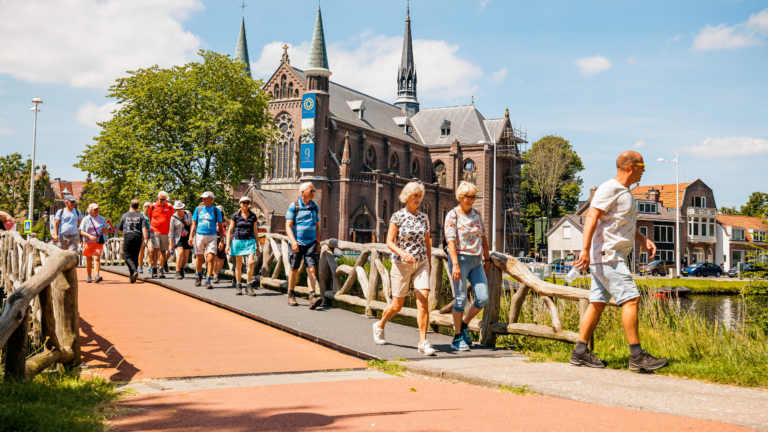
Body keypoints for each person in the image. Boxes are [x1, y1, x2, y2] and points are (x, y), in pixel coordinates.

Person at [572, 151, 668, 371]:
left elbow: (621, 224)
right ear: (632, 166)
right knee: (631, 300)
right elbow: (591, 216)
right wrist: (585, 250)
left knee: (597, 304)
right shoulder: (610, 188)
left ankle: (579, 352)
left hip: (609, 256)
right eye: (643, 165)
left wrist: (643, 239)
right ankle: (636, 356)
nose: (645, 170)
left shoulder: (626, 193)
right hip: (609, 256)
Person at [373, 181, 436, 356]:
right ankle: (379, 325)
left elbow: (427, 243)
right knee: (397, 306)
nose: (418, 199)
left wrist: (428, 264)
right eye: (415, 195)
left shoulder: (424, 218)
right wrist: (403, 254)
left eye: (420, 196)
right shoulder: (397, 216)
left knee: (423, 301)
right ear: (407, 196)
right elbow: (389, 242)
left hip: (421, 263)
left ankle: (423, 342)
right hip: (401, 265)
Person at [444, 181, 490, 351]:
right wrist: (455, 264)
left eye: (474, 196)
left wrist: (488, 259)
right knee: (461, 299)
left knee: (483, 297)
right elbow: (450, 240)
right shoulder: (452, 215)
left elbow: (483, 237)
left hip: (476, 261)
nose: (472, 200)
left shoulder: (477, 214)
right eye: (468, 197)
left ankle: (464, 325)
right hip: (460, 260)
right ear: (460, 197)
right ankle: (456, 338)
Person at [285, 182, 322, 309]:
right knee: (294, 269)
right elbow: (288, 227)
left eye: (314, 191)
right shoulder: (294, 206)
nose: (314, 193)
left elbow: (317, 226)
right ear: (303, 192)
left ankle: (312, 296)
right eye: (311, 191)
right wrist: (293, 241)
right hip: (297, 243)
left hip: (311, 242)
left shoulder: (315, 207)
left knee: (311, 268)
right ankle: (291, 293)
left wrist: (317, 241)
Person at [226, 196, 260, 296]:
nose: (245, 204)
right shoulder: (235, 216)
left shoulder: (253, 216)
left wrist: (257, 245)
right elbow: (230, 230)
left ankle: (249, 285)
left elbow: (255, 231)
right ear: (240, 204)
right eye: (243, 202)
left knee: (250, 263)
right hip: (238, 240)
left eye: (247, 202)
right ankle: (238, 285)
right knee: (239, 264)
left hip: (250, 241)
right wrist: (227, 244)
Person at [190, 191, 224, 288]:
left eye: (205, 198)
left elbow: (220, 226)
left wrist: (221, 240)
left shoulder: (216, 210)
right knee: (199, 259)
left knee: (210, 258)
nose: (203, 200)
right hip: (199, 235)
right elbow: (193, 224)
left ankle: (208, 279)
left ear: (212, 199)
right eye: (203, 198)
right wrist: (191, 236)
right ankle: (199, 275)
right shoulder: (198, 209)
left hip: (212, 236)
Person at [116, 199, 149, 283]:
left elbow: (119, 228)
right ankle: (132, 276)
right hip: (138, 236)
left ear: (130, 206)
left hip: (128, 235)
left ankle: (134, 271)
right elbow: (144, 229)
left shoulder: (125, 216)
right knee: (135, 256)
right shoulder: (141, 216)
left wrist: (124, 234)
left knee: (127, 257)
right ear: (138, 207)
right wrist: (145, 240)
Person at [79, 203, 108, 283]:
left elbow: (106, 231)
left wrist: (104, 230)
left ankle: (96, 276)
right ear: (90, 210)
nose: (96, 210)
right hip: (88, 241)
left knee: (97, 258)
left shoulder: (102, 218)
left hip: (98, 241)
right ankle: (88, 276)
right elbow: (81, 231)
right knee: (88, 259)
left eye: (97, 209)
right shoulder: (86, 219)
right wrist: (90, 236)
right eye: (95, 209)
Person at [148, 191, 173, 278]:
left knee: (163, 251)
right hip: (155, 231)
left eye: (164, 199)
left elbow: (172, 218)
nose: (163, 201)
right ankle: (154, 268)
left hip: (166, 232)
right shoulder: (152, 206)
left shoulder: (169, 206)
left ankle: (161, 269)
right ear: (158, 198)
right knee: (156, 249)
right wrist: (150, 230)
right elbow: (150, 218)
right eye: (161, 199)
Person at [169, 201, 193, 279]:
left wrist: (192, 236)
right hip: (178, 238)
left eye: (180, 208)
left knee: (186, 257)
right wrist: (170, 244)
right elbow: (171, 231)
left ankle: (181, 268)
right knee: (180, 253)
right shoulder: (173, 217)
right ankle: (177, 271)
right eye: (177, 209)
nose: (178, 210)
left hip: (187, 237)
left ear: (182, 208)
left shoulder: (188, 214)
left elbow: (192, 225)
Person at [213, 205, 229, 284]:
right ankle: (215, 275)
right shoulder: (212, 219)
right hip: (213, 239)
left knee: (221, 259)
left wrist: (225, 223)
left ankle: (217, 272)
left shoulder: (224, 220)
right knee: (214, 258)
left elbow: (232, 223)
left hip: (222, 239)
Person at [137, 202, 151, 274]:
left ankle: (150, 266)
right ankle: (140, 266)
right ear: (143, 207)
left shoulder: (152, 215)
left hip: (150, 234)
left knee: (150, 250)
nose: (147, 208)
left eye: (148, 206)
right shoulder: (140, 215)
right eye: (145, 206)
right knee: (141, 251)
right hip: (141, 235)